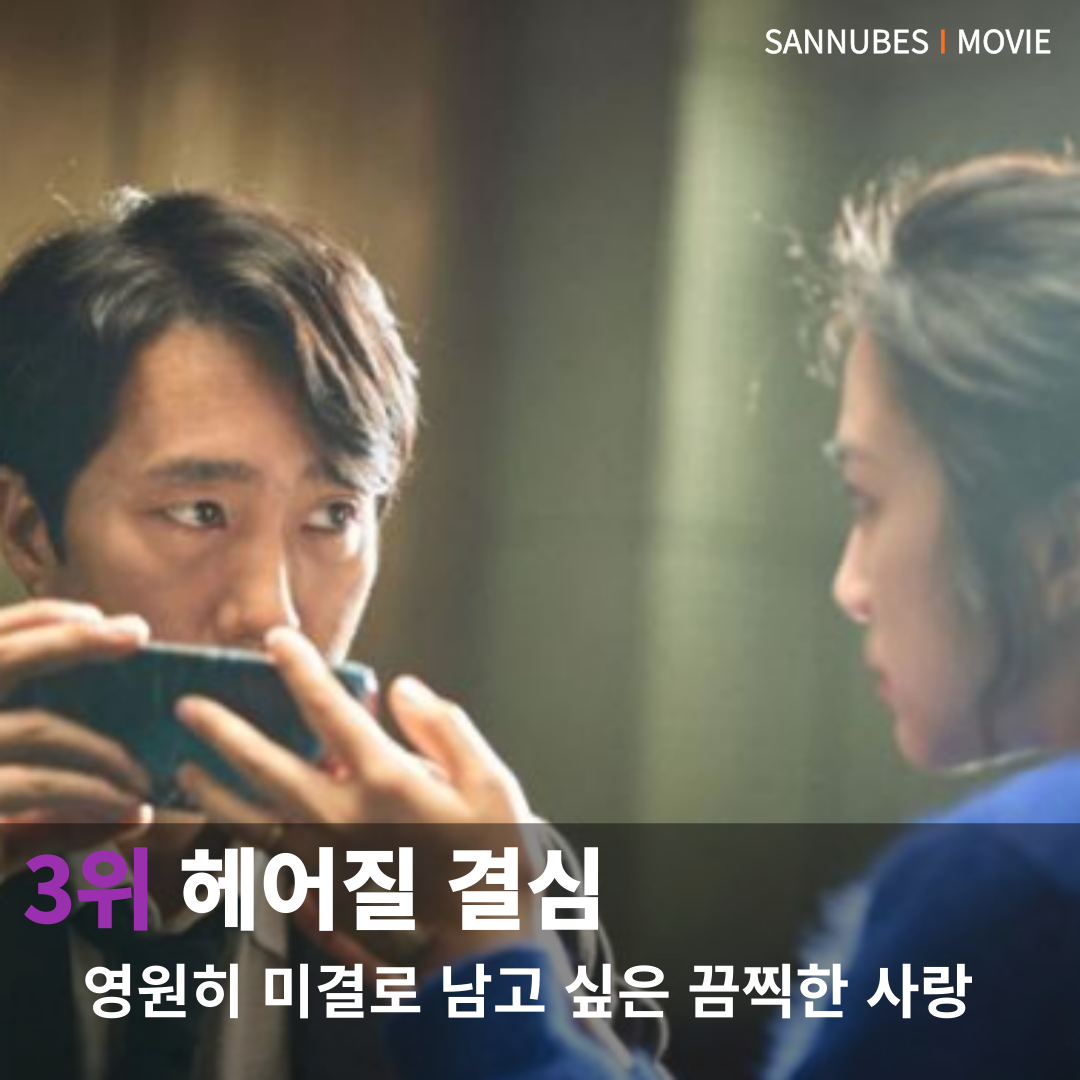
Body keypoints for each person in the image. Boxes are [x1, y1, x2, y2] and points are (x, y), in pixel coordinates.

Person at [182, 151, 1080, 1079]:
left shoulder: (1014, 884)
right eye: (199, 511)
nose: (850, 585)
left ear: (1055, 548)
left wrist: (484, 955)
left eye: (868, 499)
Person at [0, 189, 651, 1080]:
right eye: (200, 511)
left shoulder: (488, 879)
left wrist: (469, 967)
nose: (272, 615)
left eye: (333, 516)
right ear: (30, 531)